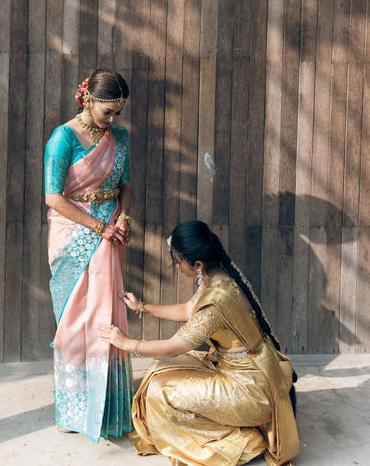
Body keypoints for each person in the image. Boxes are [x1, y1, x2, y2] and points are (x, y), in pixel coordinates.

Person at [99, 220, 300, 466]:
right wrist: (142, 307)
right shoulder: (216, 276)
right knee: (158, 370)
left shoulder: (216, 303)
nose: (176, 266)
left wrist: (127, 344)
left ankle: (246, 441)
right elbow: (187, 309)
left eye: (177, 262)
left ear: (197, 264)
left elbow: (175, 346)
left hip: (249, 389)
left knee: (160, 392)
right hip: (237, 369)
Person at [44, 69, 133, 442]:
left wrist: (124, 216)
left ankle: (108, 407)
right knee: (72, 319)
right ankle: (75, 408)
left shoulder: (120, 137)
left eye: (117, 113)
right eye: (107, 112)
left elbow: (125, 186)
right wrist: (99, 228)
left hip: (110, 232)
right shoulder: (62, 138)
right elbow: (53, 197)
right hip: (73, 234)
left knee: (106, 312)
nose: (112, 120)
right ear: (88, 99)